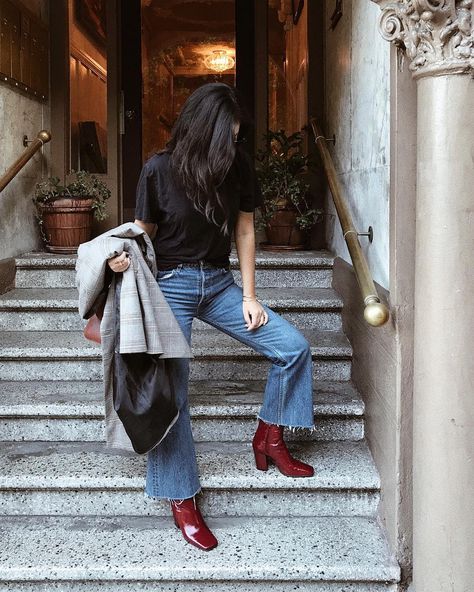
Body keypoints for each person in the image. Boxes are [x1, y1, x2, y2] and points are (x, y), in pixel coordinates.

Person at [107, 82, 315, 552]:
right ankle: (182, 497)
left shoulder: (237, 164)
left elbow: (244, 228)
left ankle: (270, 435)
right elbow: (144, 232)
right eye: (229, 136)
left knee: (293, 347)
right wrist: (120, 259)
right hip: (172, 286)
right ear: (205, 130)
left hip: (219, 283)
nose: (234, 145)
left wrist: (250, 294)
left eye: (237, 138)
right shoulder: (159, 169)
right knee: (172, 393)